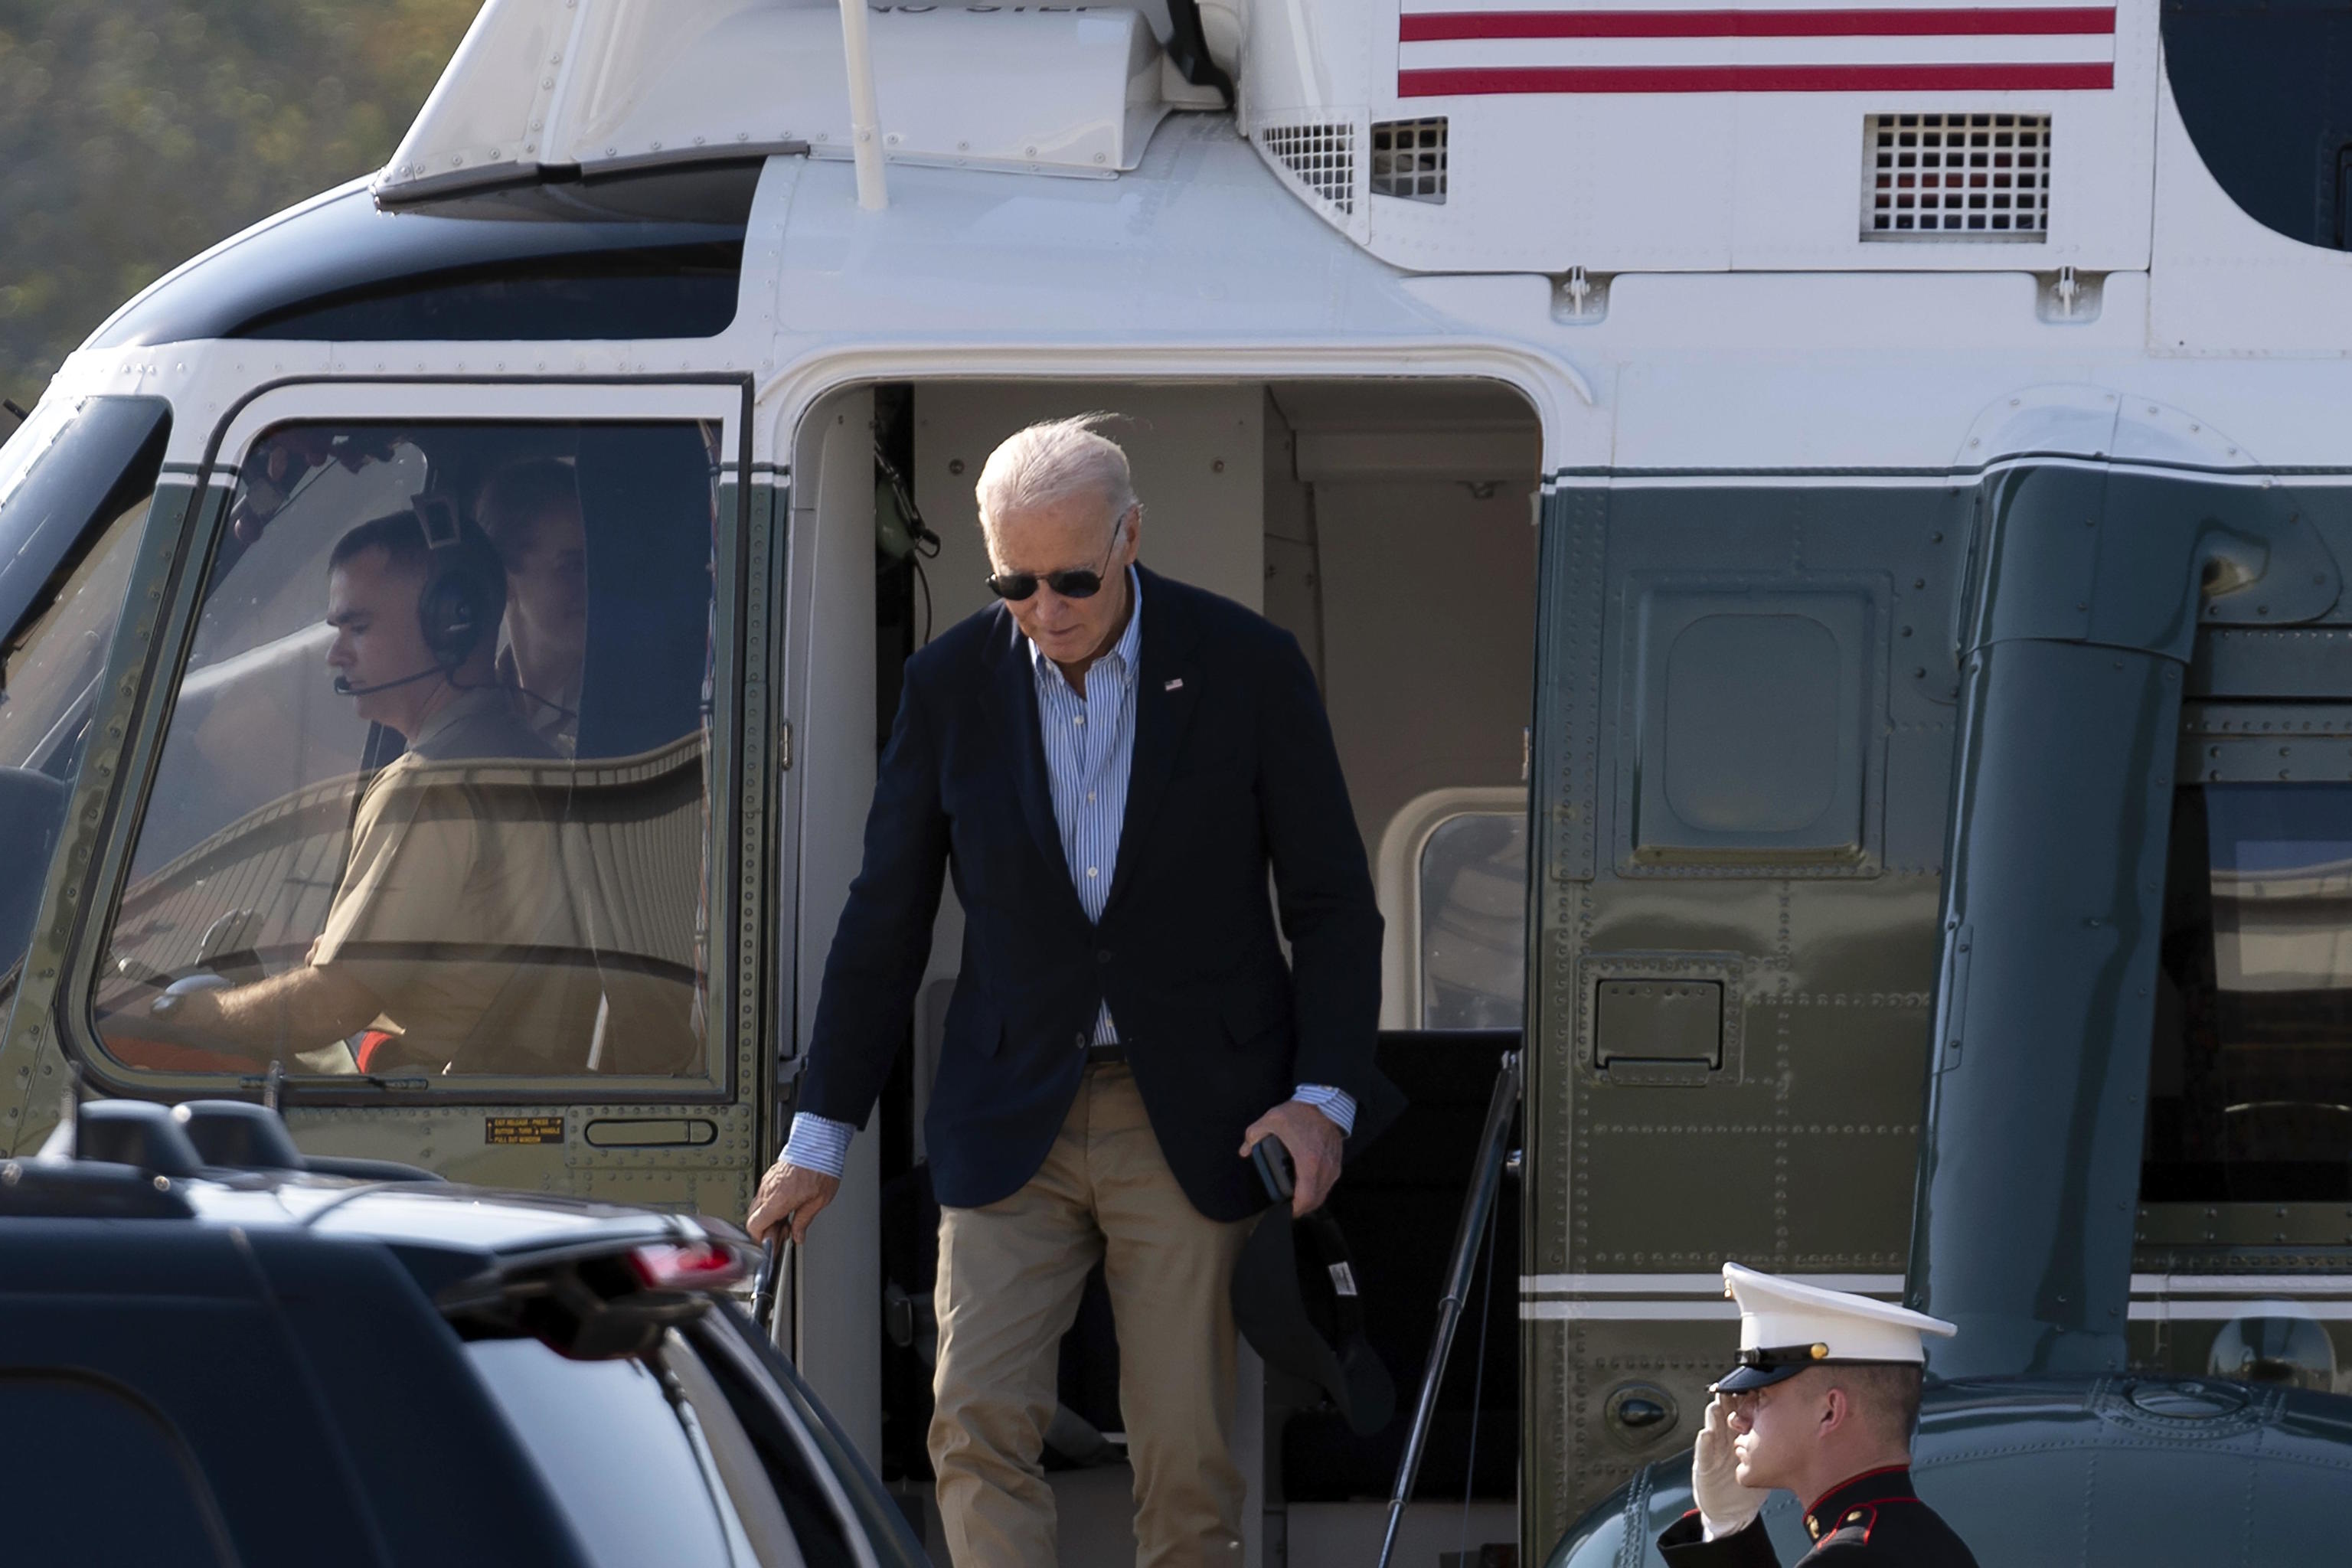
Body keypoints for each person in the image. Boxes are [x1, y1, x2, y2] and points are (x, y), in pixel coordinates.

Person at [746, 415, 1395, 1566]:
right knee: (975, 1421)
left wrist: (1324, 1098)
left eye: (1074, 578)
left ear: (1132, 536)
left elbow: (1335, 906)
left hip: (1192, 1104)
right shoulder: (949, 685)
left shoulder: (1247, 665)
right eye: (1013, 582)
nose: (1044, 608)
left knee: (1185, 1452)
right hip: (1010, 1110)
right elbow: (884, 917)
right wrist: (820, 1134)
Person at [132, 508, 603, 1074]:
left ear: (449, 623)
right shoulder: (531, 756)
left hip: (432, 1103)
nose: (335, 654)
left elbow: (329, 1008)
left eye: (357, 628)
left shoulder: (428, 787)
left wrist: (188, 1011)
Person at [1658, 1263, 1979, 1566]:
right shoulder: (1919, 1538)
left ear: (1829, 1412)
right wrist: (1726, 1527)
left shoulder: (1850, 1558)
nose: (1737, 1419)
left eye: (1759, 1396)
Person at [475, 458, 587, 757]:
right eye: (573, 566)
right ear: (502, 580)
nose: (594, 584)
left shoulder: (627, 708)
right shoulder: (467, 707)